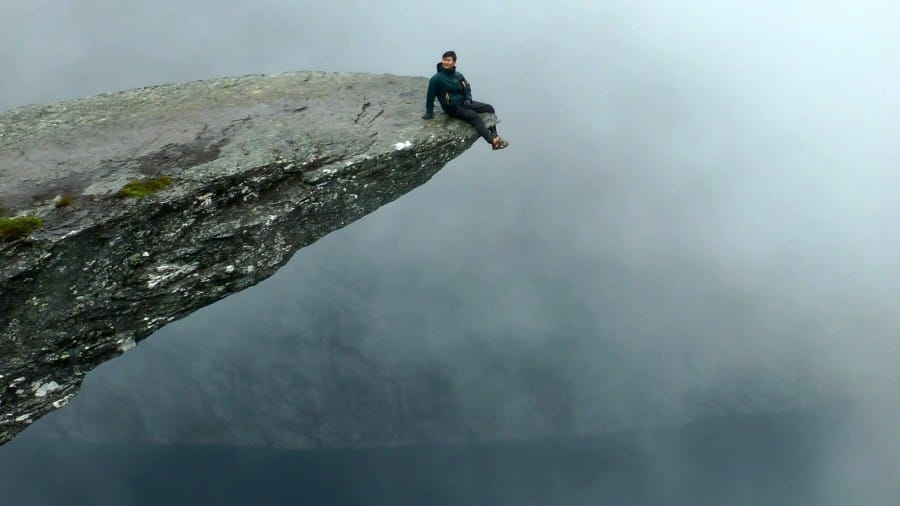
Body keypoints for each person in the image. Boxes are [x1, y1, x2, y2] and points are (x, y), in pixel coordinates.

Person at [422, 51, 508, 150]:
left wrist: (468, 98)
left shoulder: (458, 75)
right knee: (475, 117)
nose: (446, 62)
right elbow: (430, 96)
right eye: (444, 60)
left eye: (448, 60)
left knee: (489, 108)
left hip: (464, 102)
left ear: (454, 62)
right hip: (452, 107)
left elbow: (467, 88)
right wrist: (429, 112)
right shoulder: (436, 79)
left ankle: (495, 135)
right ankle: (492, 141)